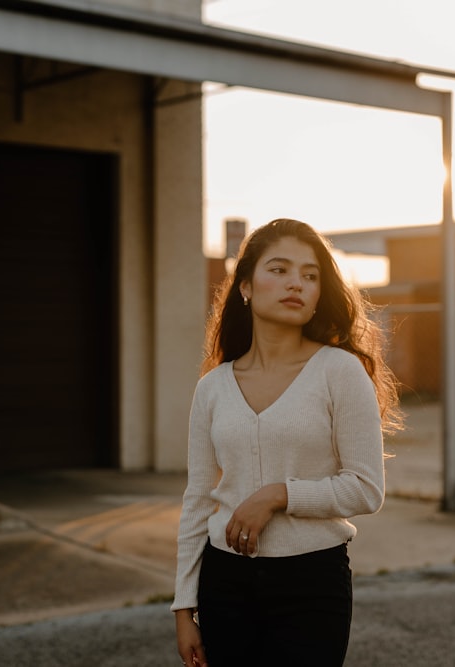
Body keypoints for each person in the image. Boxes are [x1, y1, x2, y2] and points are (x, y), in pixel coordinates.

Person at [172, 218, 401, 667]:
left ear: (319, 294)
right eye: (278, 270)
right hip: (225, 584)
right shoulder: (213, 388)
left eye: (310, 275)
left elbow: (366, 488)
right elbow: (198, 499)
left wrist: (278, 495)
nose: (296, 283)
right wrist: (184, 605)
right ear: (245, 287)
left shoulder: (340, 372)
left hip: (311, 582)